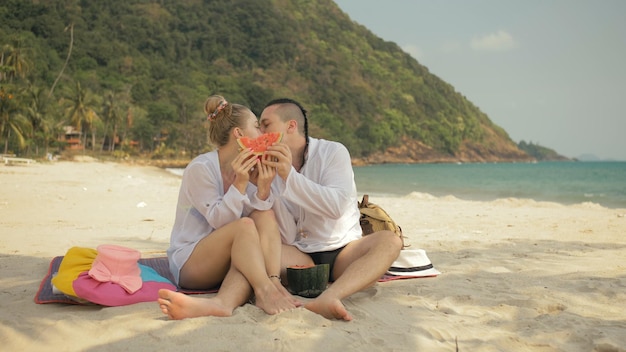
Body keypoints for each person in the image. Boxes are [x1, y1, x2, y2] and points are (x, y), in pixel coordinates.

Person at [157, 95, 300, 320]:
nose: (263, 135)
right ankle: (264, 290)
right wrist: (240, 184)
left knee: (264, 215)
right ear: (239, 134)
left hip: (233, 259)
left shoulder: (251, 167)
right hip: (191, 263)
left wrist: (263, 189)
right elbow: (221, 222)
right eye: (256, 126)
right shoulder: (201, 168)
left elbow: (282, 233)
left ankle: (224, 303)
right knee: (245, 226)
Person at [260, 98, 403, 321]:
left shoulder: (333, 152)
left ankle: (330, 297)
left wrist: (289, 176)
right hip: (297, 254)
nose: (260, 132)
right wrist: (265, 189)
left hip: (341, 251)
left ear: (291, 126)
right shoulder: (268, 165)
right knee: (249, 244)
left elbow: (336, 206)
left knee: (390, 242)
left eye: (265, 125)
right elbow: (284, 231)